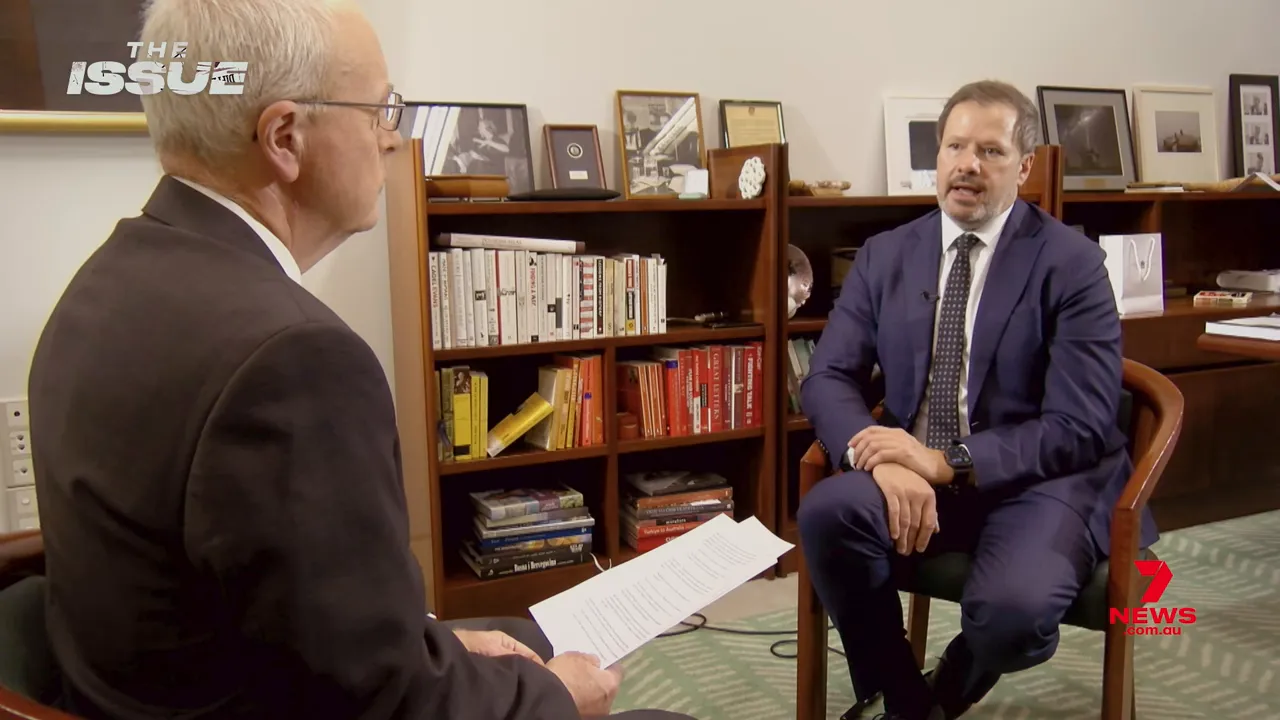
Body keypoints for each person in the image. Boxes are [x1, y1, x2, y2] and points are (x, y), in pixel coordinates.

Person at [27, 1, 692, 718]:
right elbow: (389, 699)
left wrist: (433, 641)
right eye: (380, 109)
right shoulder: (291, 360)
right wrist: (557, 696)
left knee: (505, 636)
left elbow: (290, 607)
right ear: (284, 137)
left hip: (159, 684)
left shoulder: (105, 282)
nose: (389, 138)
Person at [796, 80, 1158, 720]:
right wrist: (879, 459)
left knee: (1010, 620)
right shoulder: (886, 256)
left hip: (1040, 482)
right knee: (830, 511)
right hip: (912, 470)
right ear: (937, 159)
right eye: (954, 146)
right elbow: (827, 378)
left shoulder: (1071, 263)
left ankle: (951, 681)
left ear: (1023, 167)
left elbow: (1081, 423)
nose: (967, 164)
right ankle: (907, 704)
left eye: (989, 151)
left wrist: (949, 461)